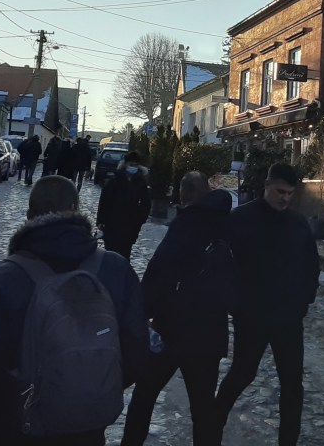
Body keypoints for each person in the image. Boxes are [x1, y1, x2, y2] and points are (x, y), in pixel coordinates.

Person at [0, 175, 148, 446]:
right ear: (76, 210)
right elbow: (136, 352)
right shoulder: (116, 269)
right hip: (86, 430)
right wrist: (87, 386)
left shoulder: (3, 278)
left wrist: (12, 399)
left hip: (15, 427)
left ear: (29, 215)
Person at [121, 172, 234, 446]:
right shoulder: (226, 224)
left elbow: (158, 271)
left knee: (144, 396)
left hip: (172, 328)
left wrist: (142, 313)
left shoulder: (185, 224)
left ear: (183, 196)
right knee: (203, 406)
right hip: (209, 332)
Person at [215, 163, 319, 446]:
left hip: (288, 319)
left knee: (292, 384)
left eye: (290, 193)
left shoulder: (298, 223)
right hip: (252, 317)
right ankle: (211, 427)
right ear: (267, 186)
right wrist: (235, 303)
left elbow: (311, 265)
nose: (285, 198)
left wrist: (304, 301)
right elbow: (221, 263)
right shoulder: (240, 219)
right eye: (280, 192)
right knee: (242, 374)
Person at [96, 151, 151, 260]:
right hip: (112, 224)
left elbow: (146, 204)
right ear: (125, 164)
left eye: (135, 165)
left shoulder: (140, 182)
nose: (133, 167)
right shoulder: (114, 180)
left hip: (130, 227)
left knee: (125, 256)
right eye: (131, 164)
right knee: (110, 255)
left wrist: (140, 220)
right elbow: (104, 201)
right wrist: (101, 221)